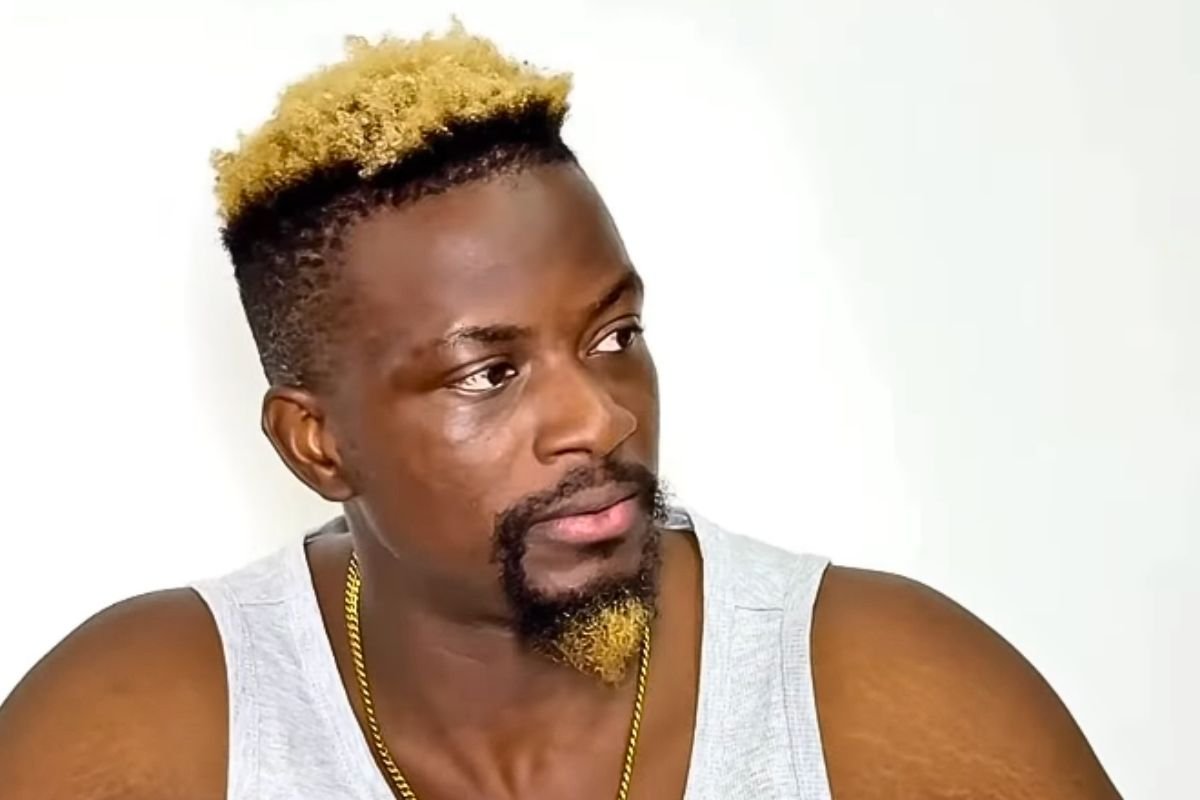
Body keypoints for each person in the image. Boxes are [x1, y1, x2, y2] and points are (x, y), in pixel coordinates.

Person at [0, 24, 1121, 800]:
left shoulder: (881, 691)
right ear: (319, 443)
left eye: (613, 336)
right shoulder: (149, 722)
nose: (601, 417)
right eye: (489, 373)